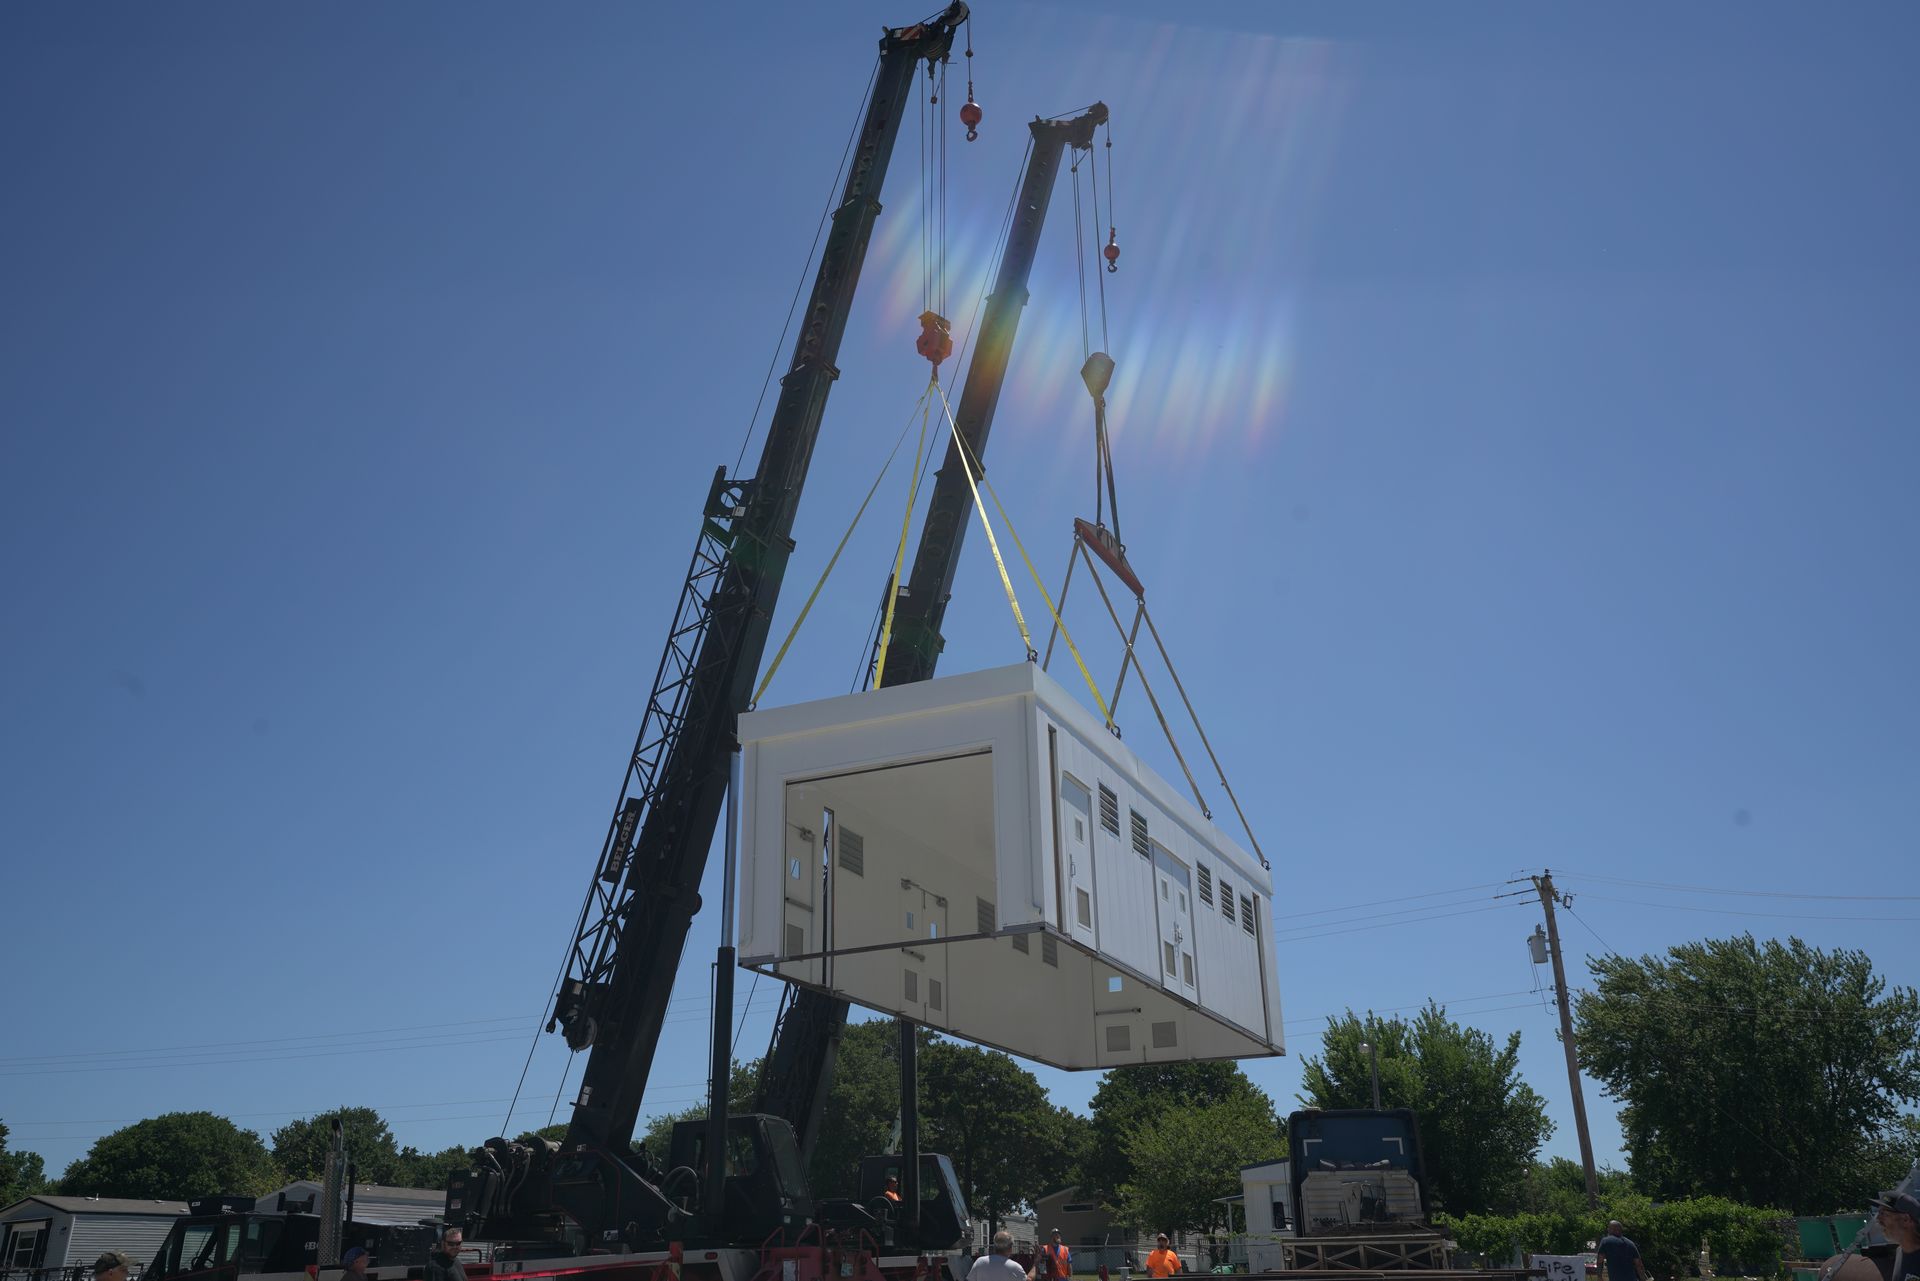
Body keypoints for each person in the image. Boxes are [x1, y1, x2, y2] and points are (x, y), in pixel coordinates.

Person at [1872, 1191, 1920, 1281]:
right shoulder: (1900, 1252)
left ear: (1906, 1219)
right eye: (1878, 1213)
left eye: (1884, 1214)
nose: (1878, 1219)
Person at [967, 1231, 1034, 1281]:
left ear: (994, 1246)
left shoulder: (980, 1262)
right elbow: (1028, 1279)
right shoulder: (1014, 1267)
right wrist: (1036, 1263)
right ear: (1010, 1248)